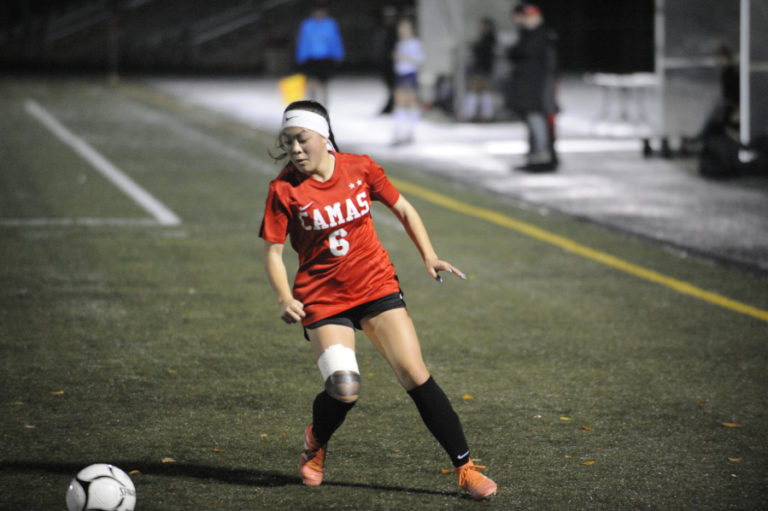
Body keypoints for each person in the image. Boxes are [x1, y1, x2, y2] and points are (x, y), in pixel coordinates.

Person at [260, 100, 498, 500]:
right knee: (344, 388)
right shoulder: (282, 189)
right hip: (322, 299)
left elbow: (403, 207)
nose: (295, 150)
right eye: (288, 142)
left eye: (302, 139)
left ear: (324, 135)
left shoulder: (360, 168)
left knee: (414, 373)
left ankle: (466, 468)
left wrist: (429, 254)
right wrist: (285, 297)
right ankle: (315, 442)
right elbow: (272, 252)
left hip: (375, 287)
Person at [506, 3, 559, 172]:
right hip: (528, 88)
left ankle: (542, 158)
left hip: (538, 88)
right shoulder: (528, 35)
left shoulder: (542, 36)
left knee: (539, 121)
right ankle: (536, 157)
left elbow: (522, 54)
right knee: (534, 122)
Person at [294, 3, 344, 106]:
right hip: (311, 57)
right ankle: (313, 101)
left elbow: (335, 40)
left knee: (325, 82)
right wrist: (301, 56)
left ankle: (325, 102)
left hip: (325, 57)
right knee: (312, 80)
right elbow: (303, 41)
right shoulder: (307, 24)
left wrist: (338, 54)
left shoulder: (330, 24)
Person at [392, 17, 424, 145]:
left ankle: (410, 131)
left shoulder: (415, 43)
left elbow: (419, 61)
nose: (401, 30)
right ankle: (399, 131)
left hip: (410, 74)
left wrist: (403, 58)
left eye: (404, 27)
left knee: (410, 102)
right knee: (399, 102)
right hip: (400, 74)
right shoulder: (400, 44)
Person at [460, 17, 498, 122]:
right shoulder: (489, 38)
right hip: (484, 67)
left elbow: (480, 50)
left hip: (482, 67)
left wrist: (474, 47)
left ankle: (471, 113)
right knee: (483, 91)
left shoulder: (488, 38)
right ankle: (485, 114)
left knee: (477, 89)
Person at [376, 5, 399, 115]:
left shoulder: (395, 30)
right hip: (385, 62)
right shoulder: (382, 29)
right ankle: (392, 104)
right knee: (389, 84)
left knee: (394, 84)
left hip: (395, 63)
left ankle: (393, 105)